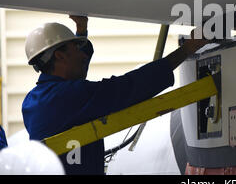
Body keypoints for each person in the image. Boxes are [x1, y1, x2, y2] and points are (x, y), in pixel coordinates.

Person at [22, 15, 208, 175]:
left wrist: (81, 33)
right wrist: (188, 48)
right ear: (60, 56)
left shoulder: (32, 102)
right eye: (76, 49)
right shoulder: (69, 97)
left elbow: (76, 83)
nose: (84, 56)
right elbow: (130, 86)